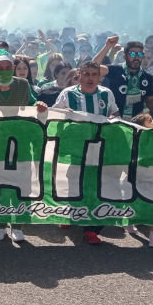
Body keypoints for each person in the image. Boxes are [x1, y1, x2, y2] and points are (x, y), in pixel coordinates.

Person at [0, 55, 49, 243]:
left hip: (20, 141)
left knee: (22, 184)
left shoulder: (23, 85)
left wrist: (39, 105)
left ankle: (18, 224)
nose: (5, 69)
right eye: (0, 67)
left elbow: (33, 104)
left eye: (8, 66)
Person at [52, 61, 118, 244]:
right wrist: (65, 114)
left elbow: (115, 114)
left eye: (94, 74)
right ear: (79, 76)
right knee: (74, 183)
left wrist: (113, 119)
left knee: (96, 186)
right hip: (75, 148)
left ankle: (92, 229)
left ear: (99, 77)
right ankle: (71, 214)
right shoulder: (68, 93)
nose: (90, 78)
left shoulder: (106, 93)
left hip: (99, 148)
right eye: (86, 74)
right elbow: (54, 115)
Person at [93, 37, 153, 118]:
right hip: (114, 122)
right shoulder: (115, 70)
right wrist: (107, 46)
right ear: (124, 57)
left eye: (140, 54)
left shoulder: (149, 78)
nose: (136, 58)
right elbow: (92, 68)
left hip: (136, 124)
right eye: (133, 54)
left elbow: (150, 101)